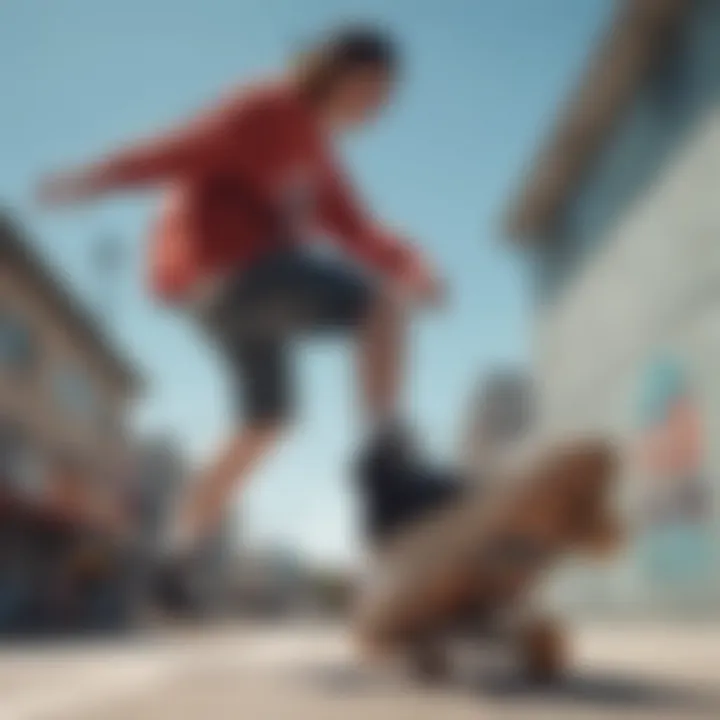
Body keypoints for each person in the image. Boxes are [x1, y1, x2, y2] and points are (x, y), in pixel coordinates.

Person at [38, 25, 442, 560]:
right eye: (371, 90)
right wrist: (98, 176)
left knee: (265, 420)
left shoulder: (316, 156)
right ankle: (387, 468)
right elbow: (184, 148)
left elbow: (356, 227)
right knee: (379, 303)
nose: (376, 108)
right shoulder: (270, 107)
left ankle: (176, 550)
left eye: (385, 99)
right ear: (335, 72)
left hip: (223, 298)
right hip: (229, 273)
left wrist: (413, 262)